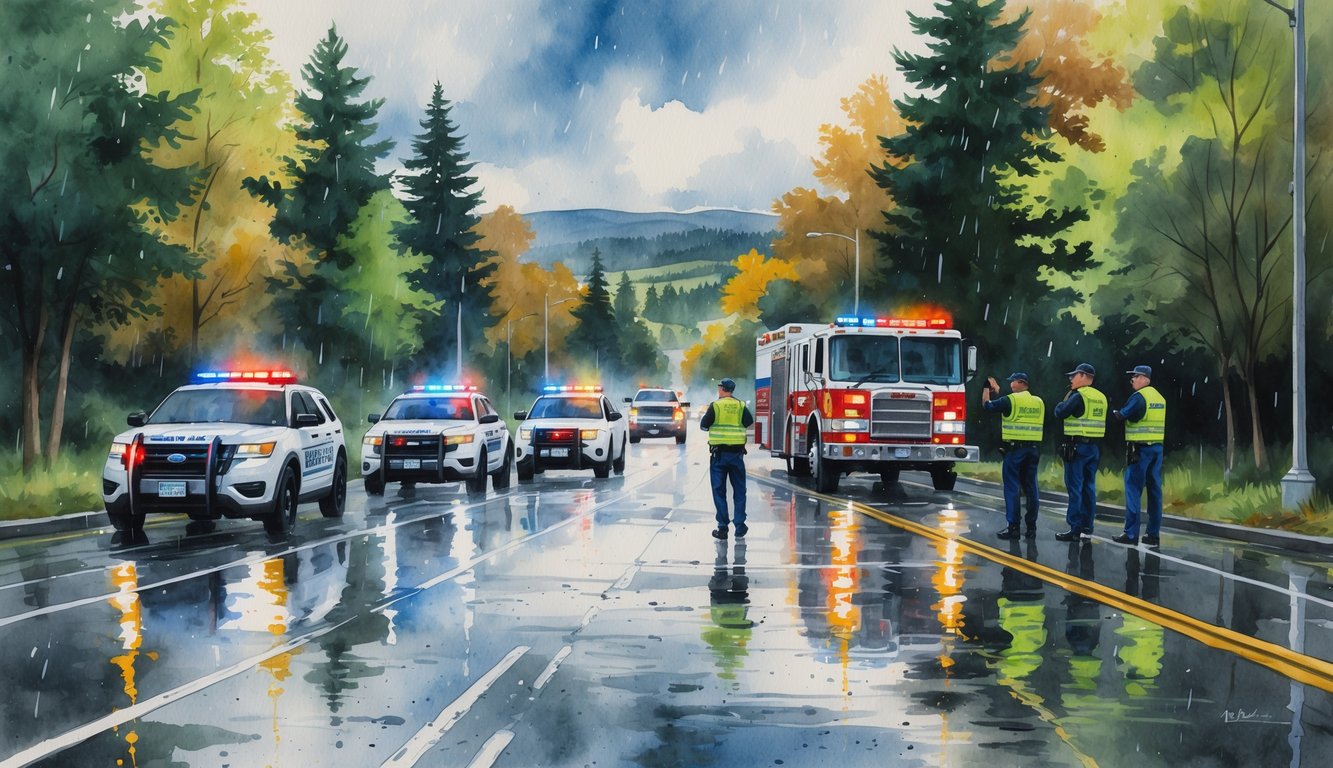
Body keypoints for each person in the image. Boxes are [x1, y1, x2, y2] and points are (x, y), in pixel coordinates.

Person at [982, 371, 1044, 539]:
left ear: (1021, 382)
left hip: (1015, 451)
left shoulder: (1011, 399)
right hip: (1033, 450)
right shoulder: (1038, 402)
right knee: (1031, 488)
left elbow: (988, 406)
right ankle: (1031, 527)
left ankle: (1014, 528)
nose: (1011, 385)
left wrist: (986, 388)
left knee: (1012, 488)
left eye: (1013, 382)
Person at [1112, 365, 1166, 546]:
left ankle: (1131, 534)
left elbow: (1122, 415)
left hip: (1140, 450)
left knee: (1133, 489)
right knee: (1155, 493)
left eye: (1135, 376)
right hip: (1157, 449)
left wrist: (1115, 413)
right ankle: (1153, 534)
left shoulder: (1139, 397)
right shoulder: (1159, 398)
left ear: (1144, 378)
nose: (1132, 379)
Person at [1053, 362, 1107, 542]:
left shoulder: (1078, 395)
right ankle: (1087, 528)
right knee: (1089, 488)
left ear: (1083, 376)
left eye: (1073, 376)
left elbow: (1059, 412)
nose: (1071, 379)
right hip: (1094, 448)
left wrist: (1064, 399)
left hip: (1077, 448)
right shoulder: (1101, 397)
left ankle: (1074, 528)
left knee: (1075, 488)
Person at [701, 377, 754, 539]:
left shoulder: (715, 406)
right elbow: (749, 422)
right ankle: (739, 525)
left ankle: (723, 527)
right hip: (737, 456)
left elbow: (703, 425)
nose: (718, 390)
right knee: (739, 491)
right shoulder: (740, 405)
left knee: (719, 491)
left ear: (723, 389)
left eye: (719, 387)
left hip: (719, 456)